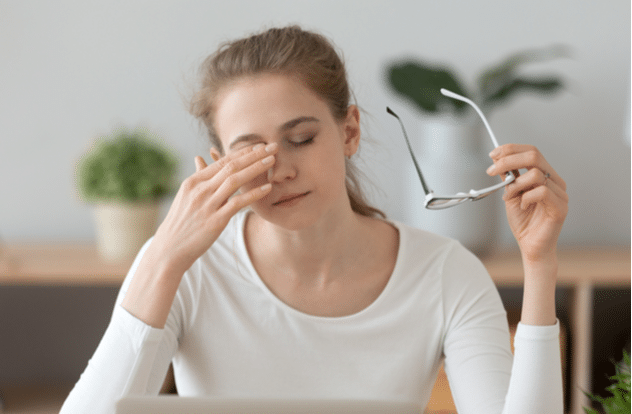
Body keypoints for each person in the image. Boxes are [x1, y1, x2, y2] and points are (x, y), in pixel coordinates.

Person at [61, 25, 569, 414]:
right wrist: (165, 258)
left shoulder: (445, 274)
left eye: (301, 139)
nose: (279, 169)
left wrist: (539, 263)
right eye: (251, 153)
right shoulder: (186, 271)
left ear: (349, 131)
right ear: (219, 164)